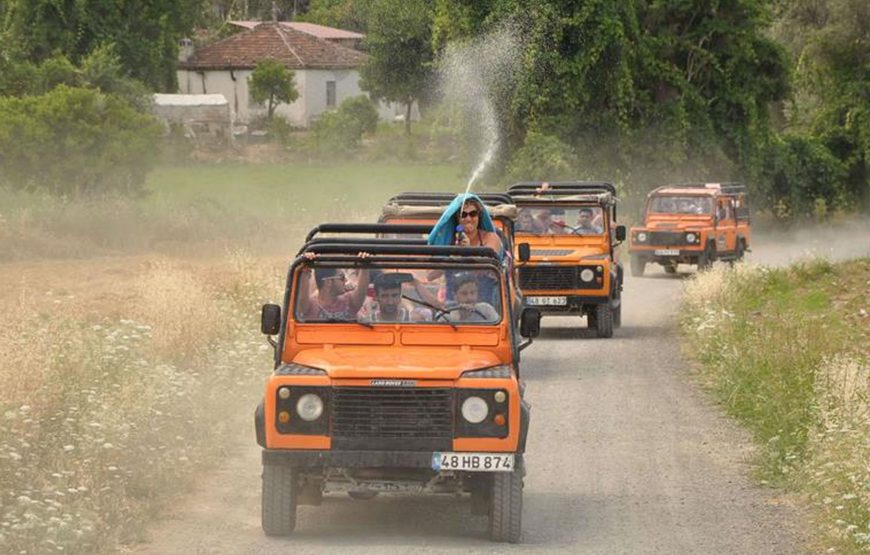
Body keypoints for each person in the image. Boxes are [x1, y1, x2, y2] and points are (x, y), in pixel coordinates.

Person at [297, 254, 370, 321]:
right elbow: (302, 299)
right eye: (342, 277)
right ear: (328, 282)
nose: (345, 280)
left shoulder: (349, 301)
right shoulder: (310, 306)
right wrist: (306, 263)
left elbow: (362, 290)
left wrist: (364, 261)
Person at [427, 194, 503, 256]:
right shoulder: (448, 241)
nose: (468, 219)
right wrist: (453, 255)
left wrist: (468, 251)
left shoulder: (490, 238)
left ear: (479, 216)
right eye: (463, 215)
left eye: (473, 214)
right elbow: (431, 274)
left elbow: (488, 268)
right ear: (457, 218)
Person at [364, 273, 435, 322]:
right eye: (384, 296)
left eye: (394, 295)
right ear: (376, 297)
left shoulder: (414, 320)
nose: (390, 302)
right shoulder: (368, 322)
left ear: (400, 296)